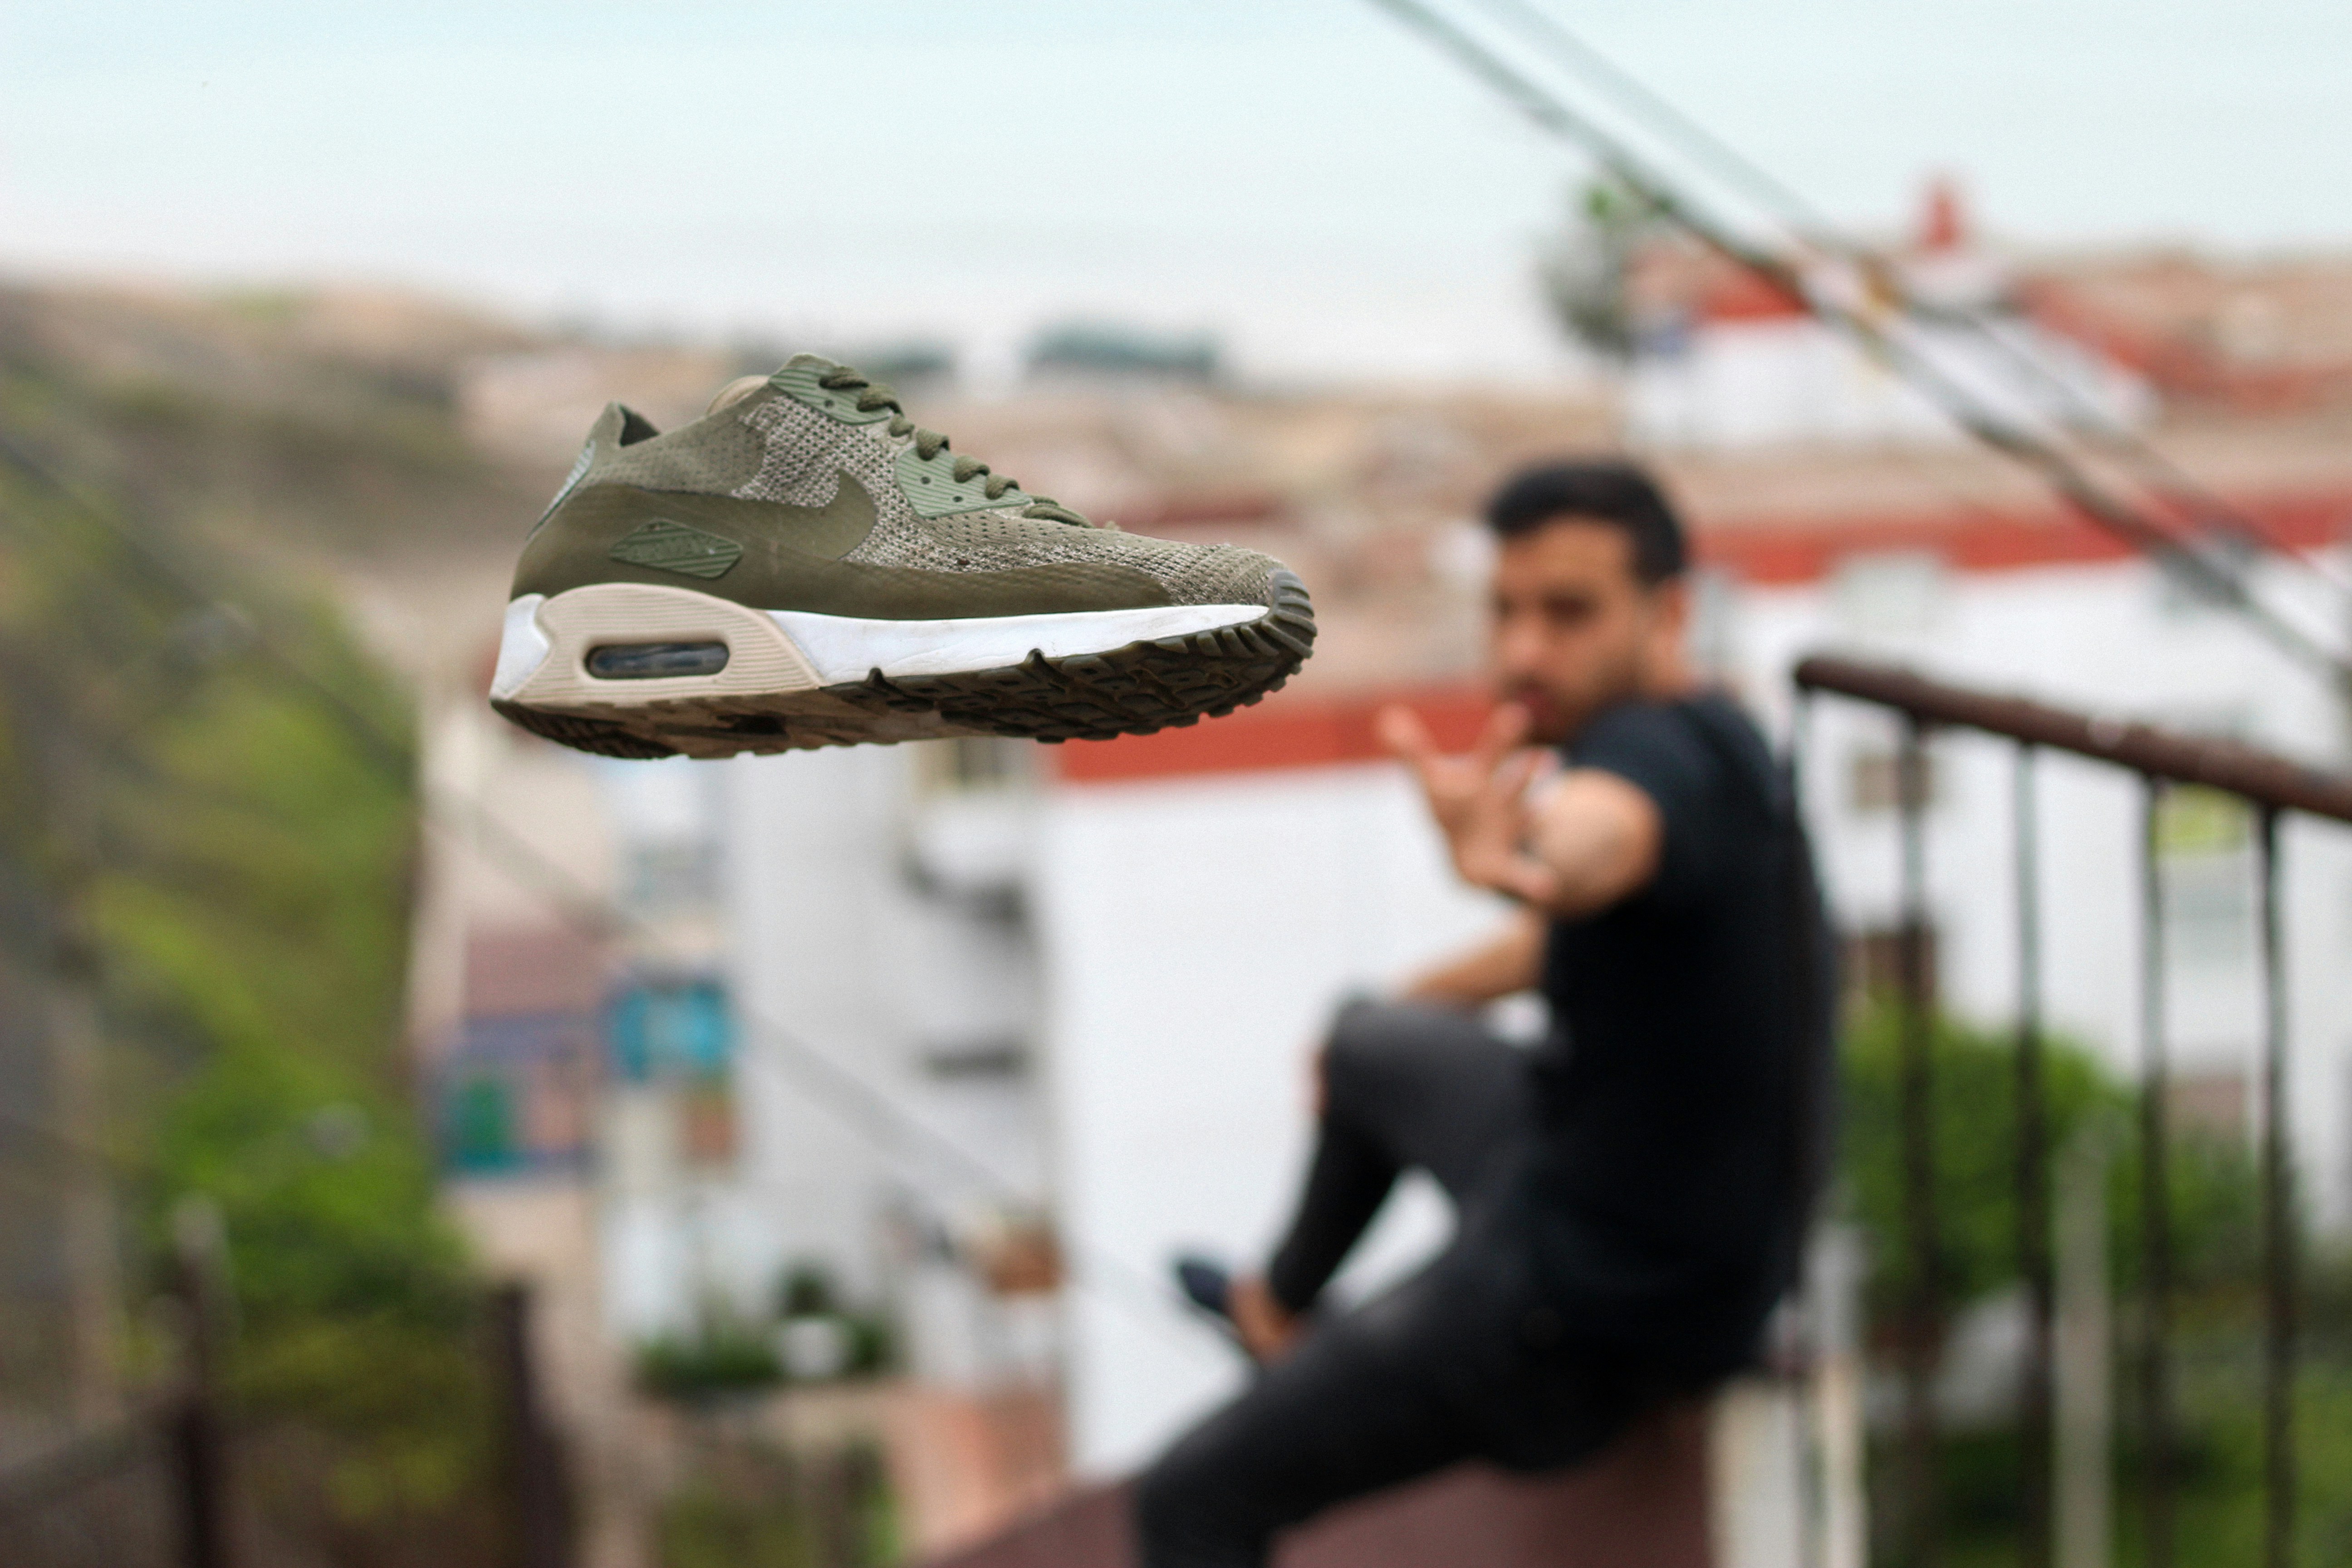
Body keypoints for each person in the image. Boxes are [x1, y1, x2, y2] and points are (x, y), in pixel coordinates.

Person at [1136, 460, 1835, 1568]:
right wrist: (1408, 1005)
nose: (1522, 653)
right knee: (1366, 1037)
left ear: (1670, 614)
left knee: (1186, 1503)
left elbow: (1592, 849)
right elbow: (1573, 926)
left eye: (1569, 613)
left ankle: (1316, 1346)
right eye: (1507, 611)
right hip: (1595, 1171)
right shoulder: (1721, 737)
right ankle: (1278, 1315)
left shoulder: (1647, 763)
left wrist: (1520, 856)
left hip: (1591, 1315)